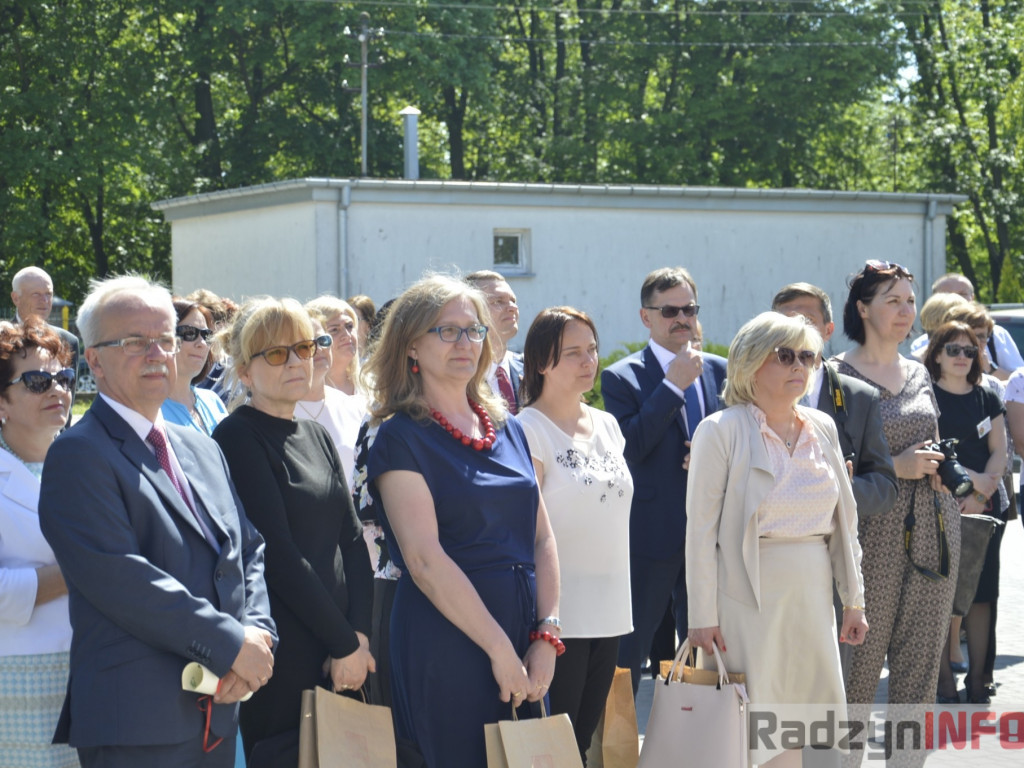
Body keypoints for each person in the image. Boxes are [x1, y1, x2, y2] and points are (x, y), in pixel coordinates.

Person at [38, 275, 276, 768]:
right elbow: (122, 579)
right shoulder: (78, 455)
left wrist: (257, 633)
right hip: (139, 724)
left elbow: (246, 547)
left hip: (219, 709)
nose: (156, 354)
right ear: (95, 361)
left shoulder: (200, 445)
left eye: (165, 340)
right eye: (133, 342)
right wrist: (231, 645)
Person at [365, 274, 559, 768]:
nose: (464, 343)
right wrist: (499, 650)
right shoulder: (400, 436)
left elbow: (542, 537)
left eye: (473, 330)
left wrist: (546, 635)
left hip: (524, 633)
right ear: (411, 344)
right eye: (445, 331)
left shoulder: (510, 428)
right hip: (449, 638)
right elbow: (425, 561)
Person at [687, 311, 867, 768]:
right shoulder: (720, 430)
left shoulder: (821, 426)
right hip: (746, 597)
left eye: (807, 356)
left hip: (811, 595)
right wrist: (702, 616)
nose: (799, 366)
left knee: (796, 727)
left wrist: (853, 600)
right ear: (749, 363)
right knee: (752, 727)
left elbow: (845, 520)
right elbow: (700, 533)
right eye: (784, 355)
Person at [211, 297, 374, 764]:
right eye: (277, 354)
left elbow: (351, 540)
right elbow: (277, 556)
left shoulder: (315, 434)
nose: (298, 362)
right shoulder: (237, 436)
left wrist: (360, 636)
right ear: (245, 372)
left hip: (343, 643)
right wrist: (342, 643)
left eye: (304, 348)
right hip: (287, 648)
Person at [833, 261, 959, 768]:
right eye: (893, 300)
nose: (906, 311)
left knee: (919, 673)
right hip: (869, 535)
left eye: (910, 300)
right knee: (858, 673)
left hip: (933, 528)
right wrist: (897, 467)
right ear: (863, 309)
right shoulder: (835, 374)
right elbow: (829, 467)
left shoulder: (920, 371)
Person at [600, 266, 727, 694]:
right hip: (651, 535)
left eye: (689, 308)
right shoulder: (622, 376)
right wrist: (672, 386)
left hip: (711, 534)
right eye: (670, 310)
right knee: (628, 653)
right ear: (646, 317)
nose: (682, 319)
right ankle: (615, 751)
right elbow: (630, 448)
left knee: (709, 649)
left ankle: (700, 746)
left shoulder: (720, 371)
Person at [516, 307, 633, 763]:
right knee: (553, 746)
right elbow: (529, 532)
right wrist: (545, 620)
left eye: (592, 349)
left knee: (581, 742)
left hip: (611, 607)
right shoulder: (526, 430)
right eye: (573, 353)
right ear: (542, 361)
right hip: (559, 617)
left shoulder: (607, 424)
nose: (590, 360)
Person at [0, 320, 79, 768]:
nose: (57, 390)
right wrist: (78, 569)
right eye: (36, 381)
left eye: (64, 379)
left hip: (93, 672)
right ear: (1, 402)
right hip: (21, 685)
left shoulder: (87, 462)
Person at [924, 321, 1007, 704]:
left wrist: (985, 487)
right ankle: (942, 683)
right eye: (953, 350)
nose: (962, 357)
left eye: (969, 351)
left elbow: (1000, 450)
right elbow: (939, 452)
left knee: (982, 594)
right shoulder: (927, 396)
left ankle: (980, 680)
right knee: (941, 596)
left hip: (986, 511)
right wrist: (976, 483)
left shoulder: (988, 395)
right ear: (937, 353)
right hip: (943, 506)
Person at [299, 303, 368, 482]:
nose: (319, 349)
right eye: (307, 345)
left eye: (323, 341)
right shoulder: (280, 409)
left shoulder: (355, 406)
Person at [909, 273, 1024, 379]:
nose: (962, 355)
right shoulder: (919, 349)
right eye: (953, 350)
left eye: (981, 337)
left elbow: (1019, 382)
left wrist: (989, 367)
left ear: (972, 297)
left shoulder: (996, 335)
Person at [10, 267, 81, 426]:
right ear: (16, 298)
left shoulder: (68, 341)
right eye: (36, 294)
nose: (45, 300)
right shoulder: (3, 338)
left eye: (48, 294)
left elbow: (66, 409)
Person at [161, 300, 228, 435]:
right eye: (189, 333)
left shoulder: (212, 400)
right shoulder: (151, 409)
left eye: (207, 335)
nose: (202, 343)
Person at [465, 270, 524, 413]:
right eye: (498, 301)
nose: (513, 307)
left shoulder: (529, 370)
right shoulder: (461, 377)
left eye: (513, 301)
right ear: (471, 311)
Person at [304, 296, 362, 396]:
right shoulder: (305, 395)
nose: (347, 336)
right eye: (334, 330)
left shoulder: (372, 385)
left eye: (349, 326)